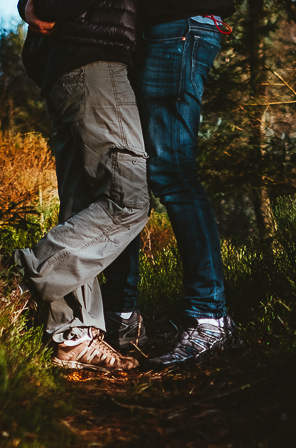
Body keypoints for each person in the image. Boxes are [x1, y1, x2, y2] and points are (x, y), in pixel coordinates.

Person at [13, 0, 148, 373]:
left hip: (63, 67)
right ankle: (22, 275)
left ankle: (74, 337)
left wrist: (28, 5)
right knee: (127, 202)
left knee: (81, 209)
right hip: (94, 60)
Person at [100, 0, 235, 366]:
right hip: (153, 29)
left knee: (172, 170)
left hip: (177, 24)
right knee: (128, 173)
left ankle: (210, 318)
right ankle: (121, 314)